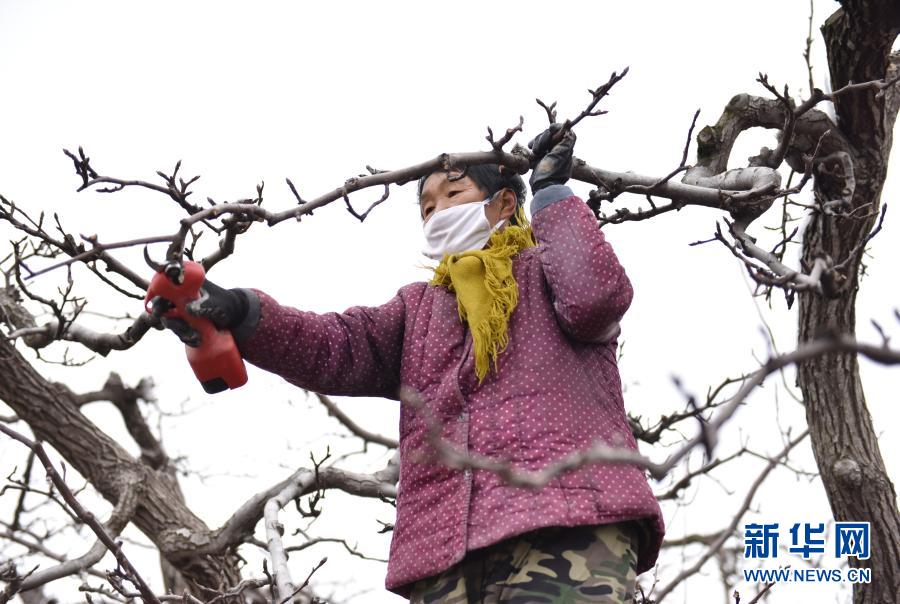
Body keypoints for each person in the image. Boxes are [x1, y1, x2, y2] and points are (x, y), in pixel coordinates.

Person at [157, 125, 665, 603]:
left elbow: (596, 297)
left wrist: (553, 193)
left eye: (452, 194)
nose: (437, 211)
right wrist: (243, 311)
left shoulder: (545, 272)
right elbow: (335, 345)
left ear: (504, 202)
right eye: (426, 207)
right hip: (444, 556)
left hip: (567, 518)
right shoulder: (419, 308)